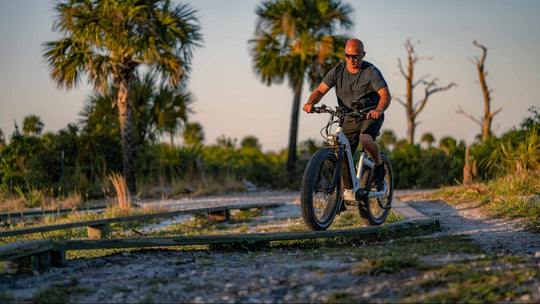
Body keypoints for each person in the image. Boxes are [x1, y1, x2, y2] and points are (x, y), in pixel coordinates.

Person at [303, 38, 391, 192]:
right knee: (340, 156)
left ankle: (378, 168)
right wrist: (311, 102)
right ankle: (340, 197)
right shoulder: (337, 71)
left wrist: (378, 110)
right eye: (347, 56)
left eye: (355, 56)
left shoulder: (371, 72)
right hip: (348, 117)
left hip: (369, 115)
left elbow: (385, 95)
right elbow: (319, 91)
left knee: (365, 139)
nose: (351, 60)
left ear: (363, 55)